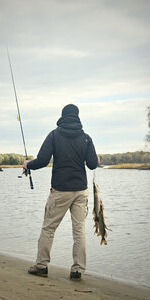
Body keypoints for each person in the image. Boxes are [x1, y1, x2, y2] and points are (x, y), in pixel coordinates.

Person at [23, 104, 98, 280]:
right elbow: (93, 164)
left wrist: (28, 164)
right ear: (77, 117)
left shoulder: (54, 135)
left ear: (62, 116)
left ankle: (41, 266)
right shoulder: (86, 138)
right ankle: (77, 270)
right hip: (81, 191)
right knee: (79, 231)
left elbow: (42, 160)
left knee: (49, 228)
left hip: (60, 191)